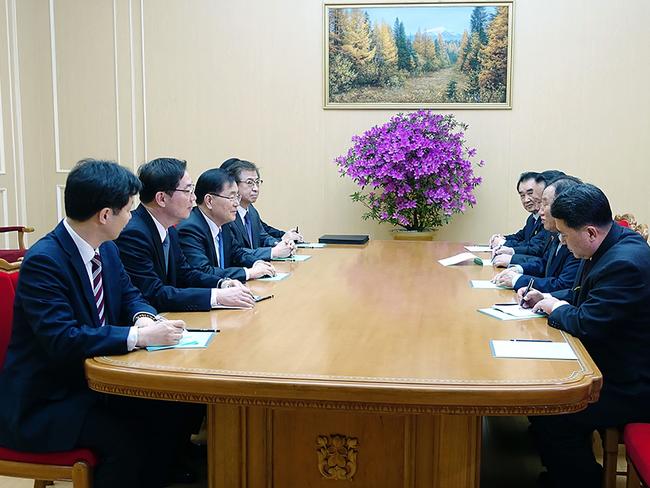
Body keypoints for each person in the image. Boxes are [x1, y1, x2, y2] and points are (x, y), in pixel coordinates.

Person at [0, 159, 200, 488]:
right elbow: (63, 339)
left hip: (86, 384)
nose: (132, 218)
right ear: (105, 215)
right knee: (126, 441)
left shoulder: (105, 249)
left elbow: (131, 295)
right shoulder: (45, 261)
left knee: (169, 411)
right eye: (128, 210)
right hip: (46, 399)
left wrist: (144, 317)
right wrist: (139, 336)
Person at [520, 183, 650, 487]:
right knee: (546, 402)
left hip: (632, 384)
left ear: (590, 232)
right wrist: (545, 296)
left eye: (565, 235)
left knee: (555, 412)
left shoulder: (624, 263)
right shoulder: (610, 244)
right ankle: (562, 474)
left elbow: (587, 322)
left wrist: (553, 307)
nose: (563, 244)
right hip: (614, 363)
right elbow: (583, 294)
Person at [115, 157, 256, 311]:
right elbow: (153, 293)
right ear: (161, 198)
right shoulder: (134, 234)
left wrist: (222, 283)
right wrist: (217, 296)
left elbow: (185, 273)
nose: (194, 198)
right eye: (188, 190)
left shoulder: (169, 229)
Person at [177, 168, 276, 281]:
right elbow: (203, 271)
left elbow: (237, 253)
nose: (236, 204)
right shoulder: (190, 228)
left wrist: (257, 263)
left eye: (237, 197)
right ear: (209, 201)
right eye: (231, 197)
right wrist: (248, 273)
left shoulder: (223, 223)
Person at [491, 176, 581, 292]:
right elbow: (543, 263)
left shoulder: (577, 240)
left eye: (545, 204)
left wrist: (517, 280)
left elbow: (564, 285)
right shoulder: (556, 234)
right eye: (522, 195)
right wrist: (518, 269)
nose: (540, 211)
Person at [220, 157, 301, 261]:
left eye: (257, 182)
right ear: (234, 185)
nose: (255, 188)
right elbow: (235, 252)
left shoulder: (252, 211)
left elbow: (262, 237)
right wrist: (274, 252)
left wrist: (281, 244)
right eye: (249, 183)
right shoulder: (226, 214)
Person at [491, 171, 560, 267]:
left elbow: (536, 248)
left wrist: (507, 247)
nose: (526, 200)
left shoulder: (550, 222)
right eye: (522, 195)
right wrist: (502, 239)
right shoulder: (532, 218)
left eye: (530, 193)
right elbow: (520, 237)